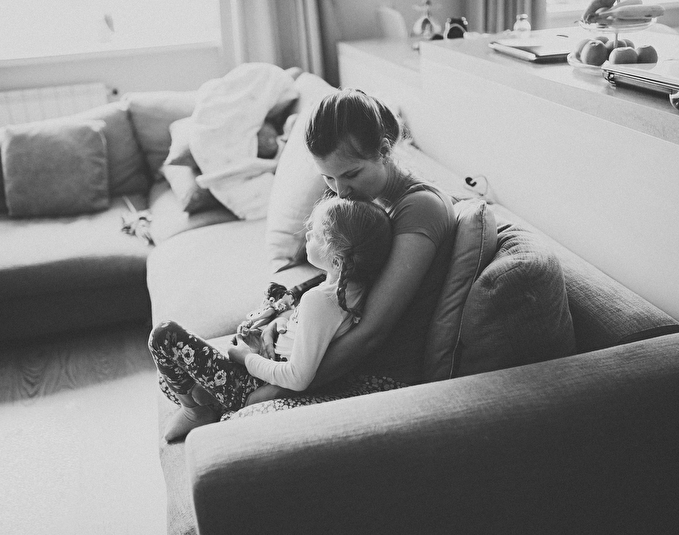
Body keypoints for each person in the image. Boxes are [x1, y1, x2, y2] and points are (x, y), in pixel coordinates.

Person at [254, 87, 457, 398]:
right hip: (330, 356)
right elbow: (341, 284)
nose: (340, 191)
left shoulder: (420, 208)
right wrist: (288, 322)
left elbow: (372, 332)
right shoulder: (370, 199)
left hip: (380, 374)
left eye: (351, 174)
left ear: (384, 150)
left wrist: (274, 392)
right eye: (328, 178)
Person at [149, 196, 394, 441]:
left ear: (337, 261)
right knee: (170, 378)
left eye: (317, 235)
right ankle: (207, 401)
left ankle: (195, 412)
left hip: (252, 384)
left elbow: (297, 378)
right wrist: (281, 325)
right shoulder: (352, 290)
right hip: (267, 362)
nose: (308, 234)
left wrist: (247, 358)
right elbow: (315, 334)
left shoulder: (321, 301)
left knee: (164, 336)